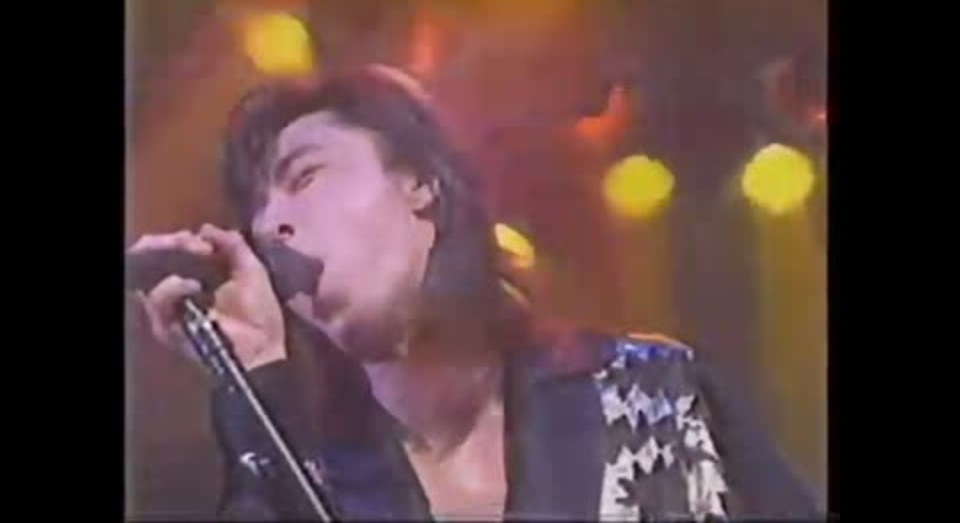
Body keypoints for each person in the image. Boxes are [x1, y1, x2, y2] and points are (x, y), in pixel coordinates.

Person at [129, 65, 820, 521]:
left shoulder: (655, 396)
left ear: (421, 186)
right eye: (257, 208)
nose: (269, 223)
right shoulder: (315, 477)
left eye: (304, 176)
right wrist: (253, 385)